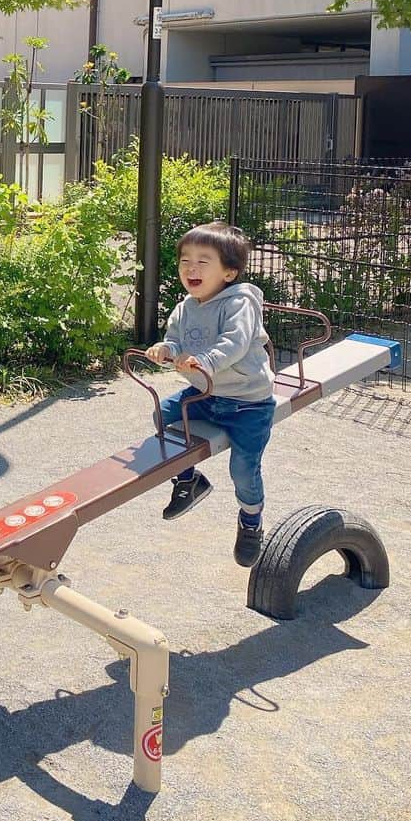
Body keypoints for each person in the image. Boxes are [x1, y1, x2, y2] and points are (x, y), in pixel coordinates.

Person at [145, 222, 275, 567]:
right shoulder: (186, 306)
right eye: (185, 260)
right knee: (165, 417)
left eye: (203, 262)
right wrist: (165, 348)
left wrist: (203, 361)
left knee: (244, 469)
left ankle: (251, 519)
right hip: (206, 394)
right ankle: (190, 480)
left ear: (229, 272)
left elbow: (234, 343)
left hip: (249, 402)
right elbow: (176, 340)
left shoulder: (239, 303)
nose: (191, 268)